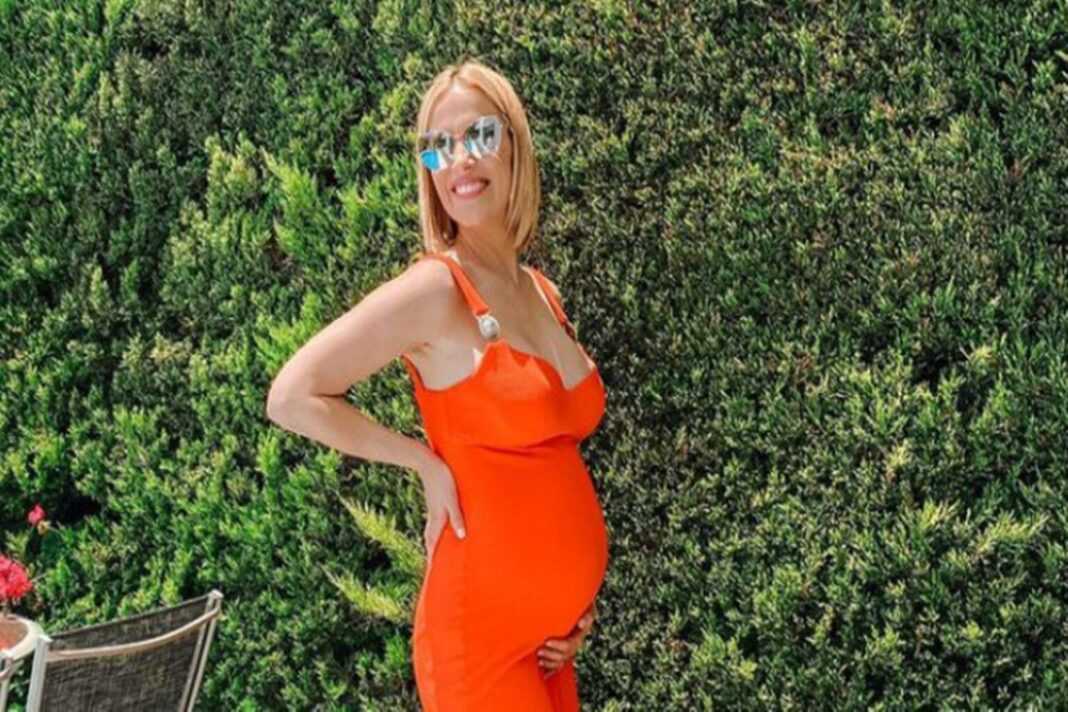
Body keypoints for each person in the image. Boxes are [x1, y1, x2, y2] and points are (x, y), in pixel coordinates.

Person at [266, 58, 609, 711]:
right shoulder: (435, 290)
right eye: (438, 146)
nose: (459, 161)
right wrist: (423, 462)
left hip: (550, 644)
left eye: (479, 135)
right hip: (477, 647)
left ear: (515, 144)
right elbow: (292, 395)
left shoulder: (541, 292)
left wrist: (572, 601)